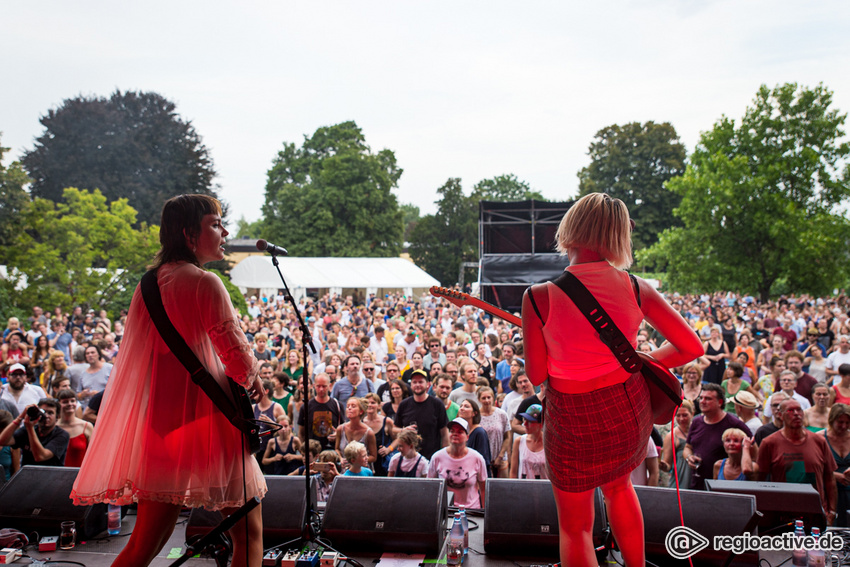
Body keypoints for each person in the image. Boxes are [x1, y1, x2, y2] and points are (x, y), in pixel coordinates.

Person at [69, 195, 266, 567]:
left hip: (161, 429)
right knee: (248, 532)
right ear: (188, 233)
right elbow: (240, 367)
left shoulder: (146, 287)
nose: (224, 232)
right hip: (209, 426)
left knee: (144, 545)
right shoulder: (207, 283)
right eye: (215, 223)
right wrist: (255, 375)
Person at [523, 193, 703, 567]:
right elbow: (691, 346)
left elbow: (538, 375)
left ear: (569, 230)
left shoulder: (538, 297)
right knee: (620, 488)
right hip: (626, 404)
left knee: (575, 527)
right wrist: (643, 358)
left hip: (571, 415)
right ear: (618, 236)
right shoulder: (637, 288)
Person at [757, 399, 837, 526]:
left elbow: (829, 477)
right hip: (783, 516)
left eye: (799, 410)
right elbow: (760, 481)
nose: (796, 414)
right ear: (780, 415)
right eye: (790, 410)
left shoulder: (819, 441)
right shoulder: (769, 443)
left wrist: (831, 512)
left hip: (815, 514)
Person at [684, 383, 753, 490]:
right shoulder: (697, 422)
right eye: (701, 398)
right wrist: (689, 457)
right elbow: (688, 447)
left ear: (720, 402)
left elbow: (753, 450)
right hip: (697, 485)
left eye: (708, 399)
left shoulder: (734, 423)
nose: (702, 401)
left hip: (724, 488)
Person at [427, 417, 487, 509]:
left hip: (471, 510)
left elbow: (484, 489)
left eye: (460, 432)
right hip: (446, 510)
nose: (455, 434)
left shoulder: (477, 458)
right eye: (452, 431)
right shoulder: (437, 457)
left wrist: (484, 512)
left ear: (467, 437)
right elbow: (430, 487)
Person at [395, 370, 449, 459]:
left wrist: (444, 456)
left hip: (431, 457)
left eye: (420, 382)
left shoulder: (437, 404)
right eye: (414, 382)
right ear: (411, 385)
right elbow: (394, 428)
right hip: (408, 457)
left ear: (428, 384)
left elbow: (444, 433)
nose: (417, 385)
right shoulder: (404, 404)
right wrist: (403, 430)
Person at [0, 398, 69, 468]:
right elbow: (2, 441)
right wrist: (20, 417)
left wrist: (30, 428)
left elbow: (40, 456)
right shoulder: (26, 431)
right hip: (28, 477)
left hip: (51, 477)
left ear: (57, 416)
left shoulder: (61, 435)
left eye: (50, 413)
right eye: (43, 412)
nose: (46, 416)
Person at [822, 404, 850, 527]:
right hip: (829, 493)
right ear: (832, 420)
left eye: (847, 423)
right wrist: (834, 475)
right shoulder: (820, 438)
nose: (844, 426)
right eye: (840, 422)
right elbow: (813, 468)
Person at [298, 373, 342, 451]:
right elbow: (301, 433)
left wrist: (337, 435)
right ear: (314, 386)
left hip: (331, 451)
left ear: (329, 386)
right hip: (313, 452)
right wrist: (304, 451)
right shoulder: (306, 407)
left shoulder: (337, 405)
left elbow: (343, 429)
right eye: (318, 386)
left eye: (324, 386)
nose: (321, 389)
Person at [659, 400, 694, 489]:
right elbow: (668, 465)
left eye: (685, 415)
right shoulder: (671, 436)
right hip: (680, 480)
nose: (681, 419)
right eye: (678, 416)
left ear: (692, 414)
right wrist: (663, 465)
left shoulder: (698, 430)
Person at [477, 386, 511, 478]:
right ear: (479, 399)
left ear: (493, 398)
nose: (487, 400)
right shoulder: (476, 416)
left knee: (502, 488)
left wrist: (500, 456)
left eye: (489, 397)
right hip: (483, 460)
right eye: (483, 398)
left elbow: (507, 437)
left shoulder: (501, 414)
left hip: (500, 458)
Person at [55, 389, 93, 467]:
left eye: (72, 401)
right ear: (58, 404)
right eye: (65, 402)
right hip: (56, 475)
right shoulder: (53, 426)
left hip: (79, 475)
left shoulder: (86, 426)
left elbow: (93, 455)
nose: (70, 404)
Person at [509, 404, 546, 480]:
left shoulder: (550, 445)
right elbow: (513, 473)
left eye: (530, 421)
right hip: (523, 489)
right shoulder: (519, 441)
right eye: (524, 419)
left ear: (541, 424)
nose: (525, 424)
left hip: (544, 489)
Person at [457, 399, 491, 466]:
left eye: (466, 406)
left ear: (474, 413)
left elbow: (482, 460)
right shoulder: (465, 431)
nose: (461, 408)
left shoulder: (479, 432)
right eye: (461, 406)